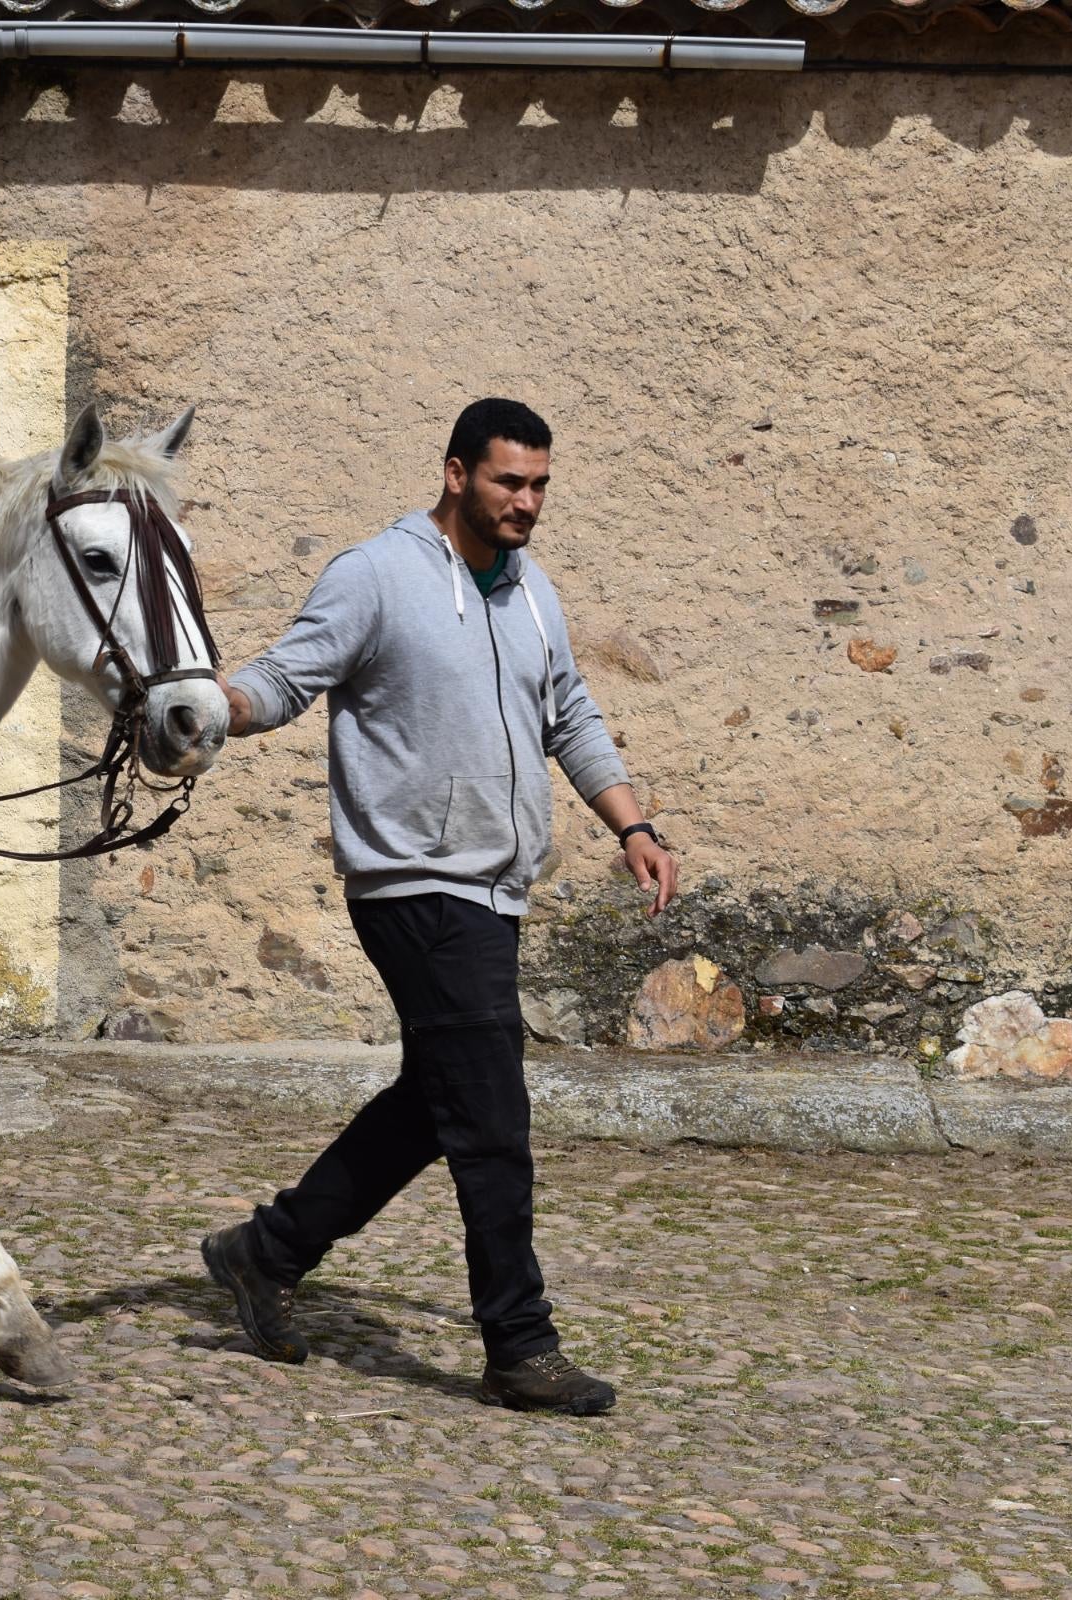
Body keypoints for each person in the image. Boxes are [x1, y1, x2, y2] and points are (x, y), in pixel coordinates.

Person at [201, 398, 678, 1416]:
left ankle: (266, 1249)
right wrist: (217, 707)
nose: (528, 503)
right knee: (493, 1118)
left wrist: (632, 825)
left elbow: (570, 716)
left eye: (541, 484)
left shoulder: (531, 592)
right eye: (510, 481)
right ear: (457, 472)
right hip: (414, 880)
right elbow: (289, 676)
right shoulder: (377, 574)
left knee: (441, 1098)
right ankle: (520, 1342)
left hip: (494, 887)